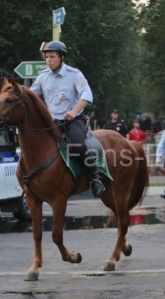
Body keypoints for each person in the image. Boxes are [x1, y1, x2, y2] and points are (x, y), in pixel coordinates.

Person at [30, 40, 104, 197]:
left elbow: (87, 95)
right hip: (51, 123)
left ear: (61, 57)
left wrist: (74, 111)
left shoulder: (74, 74)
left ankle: (95, 178)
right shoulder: (42, 77)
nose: (48, 60)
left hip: (72, 120)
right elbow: (31, 96)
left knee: (77, 145)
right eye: (46, 57)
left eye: (52, 56)